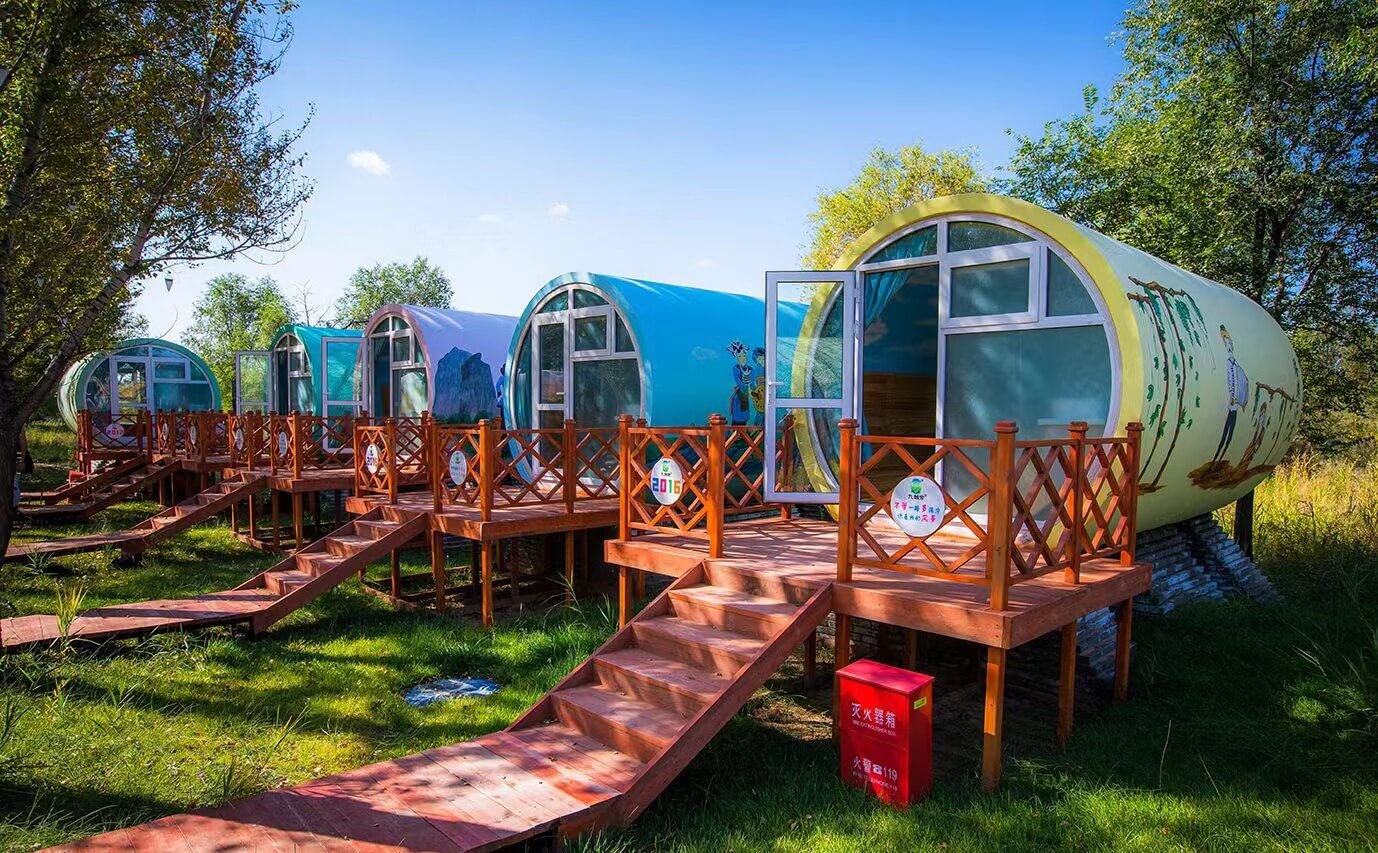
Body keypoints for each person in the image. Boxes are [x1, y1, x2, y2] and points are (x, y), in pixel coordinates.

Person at [1213, 325, 1249, 463]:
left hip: (1234, 406)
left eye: (1229, 344)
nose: (1228, 347)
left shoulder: (1236, 366)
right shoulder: (1229, 364)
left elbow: (1243, 383)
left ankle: (1221, 456)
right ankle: (1217, 456)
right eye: (1226, 344)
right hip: (1231, 405)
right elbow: (1230, 381)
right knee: (1225, 433)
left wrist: (1241, 401)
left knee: (1230, 433)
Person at [13, 428, 32, 520]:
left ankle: (14, 506)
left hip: (16, 459)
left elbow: (23, 443)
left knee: (14, 483)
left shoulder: (17, 426)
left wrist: (22, 460)